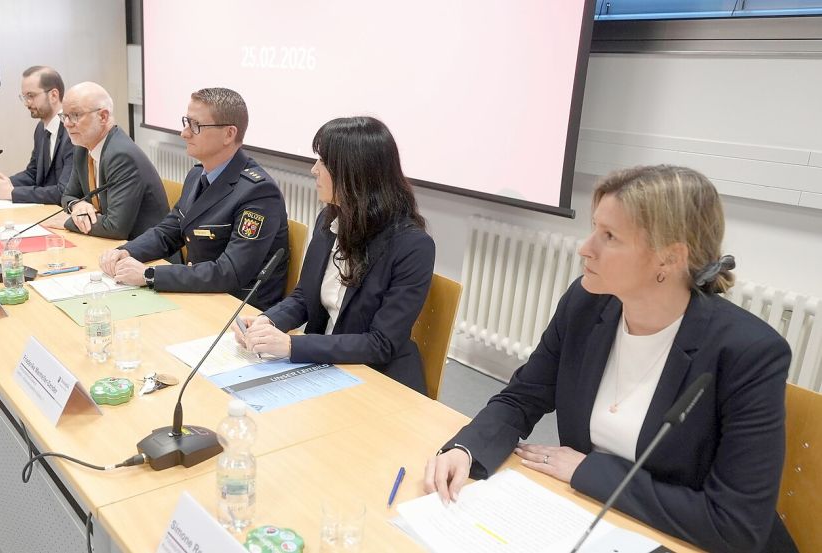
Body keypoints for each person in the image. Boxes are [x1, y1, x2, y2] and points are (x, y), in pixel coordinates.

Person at [424, 166, 796, 553]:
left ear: (668, 259)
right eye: (593, 229)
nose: (585, 248)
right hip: (596, 520)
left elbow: (735, 523)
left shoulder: (749, 353)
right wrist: (465, 450)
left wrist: (590, 471)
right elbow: (522, 397)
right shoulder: (586, 305)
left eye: (609, 236)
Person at [234, 117, 435, 394]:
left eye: (323, 162)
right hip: (325, 366)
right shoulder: (329, 220)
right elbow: (305, 296)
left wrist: (292, 346)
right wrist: (268, 321)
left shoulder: (412, 245)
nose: (314, 170)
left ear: (355, 173)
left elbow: (381, 344)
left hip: (376, 379)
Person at [99, 87, 288, 310]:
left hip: (236, 310)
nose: (185, 133)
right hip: (199, 295)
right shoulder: (197, 175)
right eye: (186, 122)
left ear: (229, 134)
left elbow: (230, 272)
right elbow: (168, 232)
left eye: (196, 126)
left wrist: (150, 275)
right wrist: (126, 251)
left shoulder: (258, 192)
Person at [49, 82, 168, 240]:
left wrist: (69, 221)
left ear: (103, 117)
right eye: (64, 116)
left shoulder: (121, 156)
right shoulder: (82, 148)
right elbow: (68, 195)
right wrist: (78, 205)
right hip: (110, 246)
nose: (67, 124)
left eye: (75, 115)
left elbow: (115, 227)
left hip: (149, 254)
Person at [0, 66, 72, 205]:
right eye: (24, 97)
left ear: (53, 95)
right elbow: (33, 173)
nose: (27, 103)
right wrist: (1, 184)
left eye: (31, 96)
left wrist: (11, 193)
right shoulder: (41, 129)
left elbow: (65, 191)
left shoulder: (72, 132)